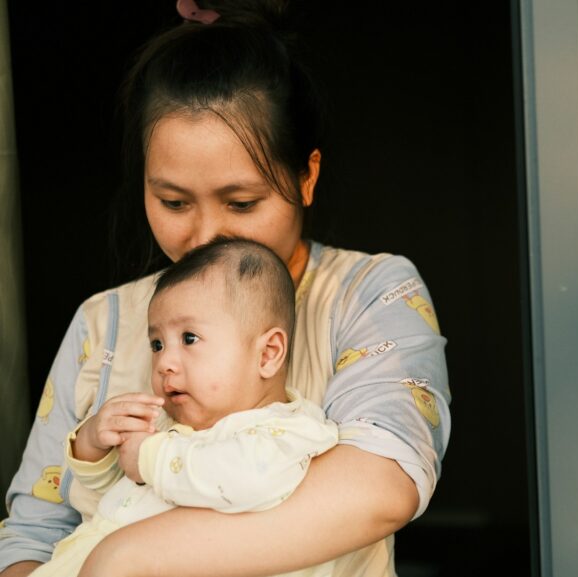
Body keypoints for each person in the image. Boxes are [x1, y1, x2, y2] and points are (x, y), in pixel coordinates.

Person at [0, 1, 451, 576]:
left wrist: (128, 558)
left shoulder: (367, 294)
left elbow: (383, 485)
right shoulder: (103, 322)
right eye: (173, 202)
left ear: (306, 177)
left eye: (241, 203)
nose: (205, 234)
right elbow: (33, 534)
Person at [33, 238, 353, 577]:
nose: (164, 362)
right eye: (157, 344)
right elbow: (114, 483)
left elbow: (248, 480)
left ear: (268, 353)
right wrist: (94, 442)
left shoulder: (291, 431)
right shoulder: (167, 421)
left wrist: (148, 456)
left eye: (189, 338)